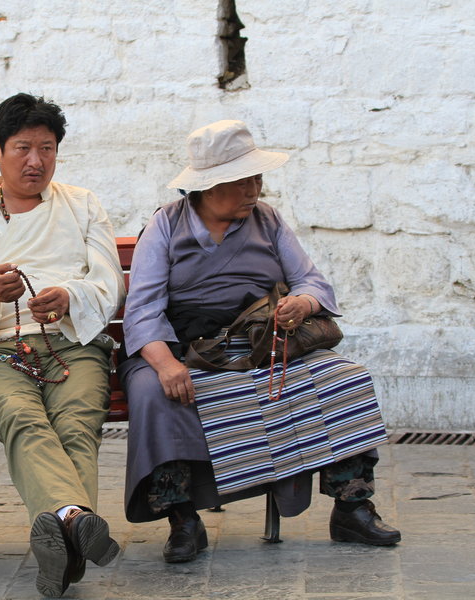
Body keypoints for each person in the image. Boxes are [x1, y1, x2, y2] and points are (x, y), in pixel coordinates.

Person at [121, 120, 401, 564]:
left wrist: (303, 305)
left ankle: (352, 506)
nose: (256, 187)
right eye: (244, 179)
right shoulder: (166, 225)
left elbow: (310, 280)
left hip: (261, 344)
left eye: (257, 177)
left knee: (344, 378)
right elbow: (143, 309)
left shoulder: (267, 218)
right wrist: (164, 363)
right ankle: (183, 520)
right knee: (157, 394)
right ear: (210, 186)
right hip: (186, 349)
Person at [0, 93, 126, 597]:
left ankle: (61, 533)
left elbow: (109, 283)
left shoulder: (82, 204)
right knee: (22, 417)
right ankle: (75, 518)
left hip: (71, 346)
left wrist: (70, 296)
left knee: (76, 423)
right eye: (23, 148)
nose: (36, 161)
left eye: (47, 148)